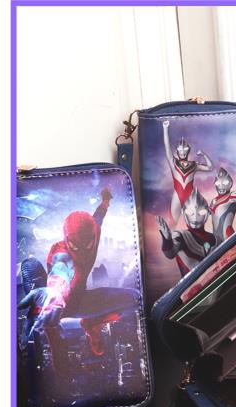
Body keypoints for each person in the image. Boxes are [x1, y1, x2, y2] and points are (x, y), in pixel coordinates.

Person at [18, 188, 137, 370]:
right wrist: (55, 295)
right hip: (58, 306)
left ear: (92, 235)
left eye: (86, 244)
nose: (81, 250)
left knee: (135, 298)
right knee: (31, 267)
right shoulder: (61, 253)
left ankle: (92, 323)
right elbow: (59, 273)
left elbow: (98, 217)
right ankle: (51, 330)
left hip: (81, 301)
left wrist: (106, 201)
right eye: (75, 245)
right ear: (67, 239)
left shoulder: (94, 230)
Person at [162, 119, 213, 225]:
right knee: (172, 223)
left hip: (190, 196)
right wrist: (165, 128)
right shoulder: (174, 162)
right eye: (180, 150)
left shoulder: (193, 165)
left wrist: (204, 155)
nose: (182, 152)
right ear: (177, 151)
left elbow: (210, 167)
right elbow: (167, 148)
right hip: (177, 195)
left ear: (188, 151)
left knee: (195, 222)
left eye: (184, 150)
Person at [156, 188, 216, 276]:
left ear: (208, 213)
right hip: (193, 284)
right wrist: (167, 240)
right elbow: (170, 253)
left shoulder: (215, 238)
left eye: (201, 212)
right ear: (184, 213)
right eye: (190, 212)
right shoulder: (180, 236)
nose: (195, 217)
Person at [210, 167, 236, 245]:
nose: (221, 185)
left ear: (230, 183)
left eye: (224, 183)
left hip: (227, 236)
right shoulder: (214, 200)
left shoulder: (231, 197)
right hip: (217, 238)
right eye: (218, 183)